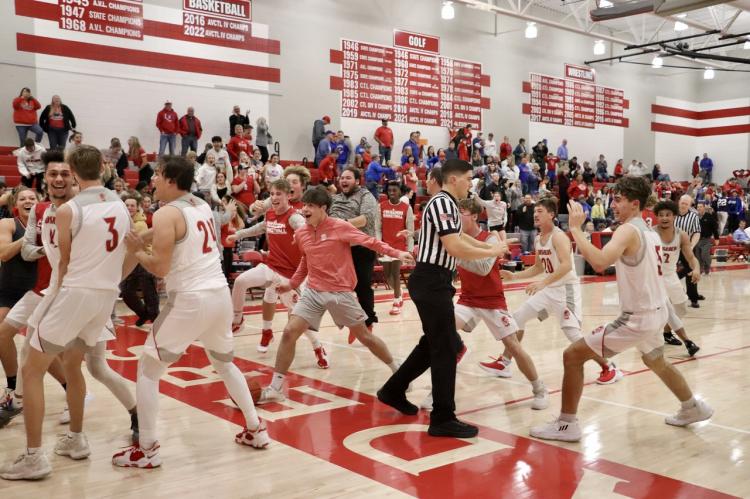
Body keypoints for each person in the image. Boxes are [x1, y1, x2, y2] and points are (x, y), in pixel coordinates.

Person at [111, 155, 270, 469]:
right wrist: (141, 237)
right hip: (218, 296)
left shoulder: (166, 213)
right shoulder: (199, 204)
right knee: (224, 364)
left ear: (170, 179)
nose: (152, 180)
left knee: (147, 369)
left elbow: (159, 266)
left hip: (189, 299)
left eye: (156, 175)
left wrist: (135, 250)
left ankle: (147, 449)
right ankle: (255, 429)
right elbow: (181, 235)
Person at [531, 176, 713, 442]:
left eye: (618, 200)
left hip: (637, 317)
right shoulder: (649, 230)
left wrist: (576, 230)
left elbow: (600, 262)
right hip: (655, 310)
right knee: (655, 360)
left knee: (572, 356)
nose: (613, 205)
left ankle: (566, 424)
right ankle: (692, 407)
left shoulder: (627, 230)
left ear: (635, 203)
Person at [1, 146, 132, 480]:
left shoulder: (72, 210)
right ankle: (76, 439)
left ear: (73, 173)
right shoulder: (116, 204)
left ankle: (34, 457)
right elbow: (130, 247)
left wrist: (58, 298)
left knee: (33, 368)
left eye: (64, 173)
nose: (59, 178)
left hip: (67, 293)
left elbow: (66, 265)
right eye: (52, 174)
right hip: (99, 296)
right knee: (75, 365)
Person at [378, 159, 507, 439]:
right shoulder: (443, 203)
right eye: (468, 178)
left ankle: (393, 389)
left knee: (434, 343)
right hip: (431, 280)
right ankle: (443, 417)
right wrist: (491, 252)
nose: (471, 184)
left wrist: (490, 246)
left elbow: (459, 236)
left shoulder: (445, 204)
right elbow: (454, 245)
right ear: (453, 180)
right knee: (446, 347)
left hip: (434, 280)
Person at [256, 186, 414, 405]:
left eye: (310, 206)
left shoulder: (340, 227)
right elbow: (305, 260)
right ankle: (275, 388)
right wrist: (292, 283)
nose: (305, 210)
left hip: (340, 292)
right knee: (289, 332)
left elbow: (371, 242)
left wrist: (398, 253)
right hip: (313, 291)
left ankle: (399, 372)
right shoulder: (301, 232)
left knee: (365, 337)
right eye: (304, 206)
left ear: (323, 208)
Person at [493, 197, 622, 384]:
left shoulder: (559, 236)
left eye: (540, 211)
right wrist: (515, 276)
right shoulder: (538, 238)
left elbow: (567, 266)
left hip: (565, 291)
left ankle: (609, 367)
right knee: (518, 317)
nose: (535, 214)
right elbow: (538, 267)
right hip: (549, 291)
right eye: (535, 211)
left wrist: (542, 283)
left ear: (552, 215)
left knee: (573, 335)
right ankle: (505, 362)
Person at [454, 198, 548, 408]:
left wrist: (455, 257)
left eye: (462, 213)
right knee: (440, 336)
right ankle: (438, 391)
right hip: (467, 298)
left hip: (492, 301)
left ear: (475, 216)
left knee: (513, 346)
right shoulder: (456, 238)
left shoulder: (492, 238)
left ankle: (539, 388)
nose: (458, 217)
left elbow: (483, 268)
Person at [229, 180, 328, 367]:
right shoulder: (270, 214)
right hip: (271, 267)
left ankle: (318, 347)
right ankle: (238, 319)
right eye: (272, 194)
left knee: (299, 319)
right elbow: (259, 228)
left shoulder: (293, 217)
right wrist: (238, 235)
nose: (274, 198)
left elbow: (304, 228)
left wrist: (302, 237)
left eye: (278, 194)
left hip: (291, 276)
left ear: (287, 196)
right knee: (241, 281)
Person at [329, 168, 381, 343]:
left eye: (348, 178)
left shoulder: (366, 196)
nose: (343, 180)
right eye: (341, 177)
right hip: (340, 248)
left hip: (362, 247)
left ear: (357, 181)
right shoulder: (335, 198)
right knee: (340, 288)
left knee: (362, 286)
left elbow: (365, 219)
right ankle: (353, 321)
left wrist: (342, 224)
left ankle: (368, 322)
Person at [654, 201, 702, 357]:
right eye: (661, 215)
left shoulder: (681, 234)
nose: (664, 218)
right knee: (667, 309)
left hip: (670, 276)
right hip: (654, 278)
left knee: (680, 307)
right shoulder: (650, 233)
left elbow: (691, 257)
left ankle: (667, 333)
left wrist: (696, 268)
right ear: (657, 217)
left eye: (668, 214)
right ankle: (688, 342)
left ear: (674, 216)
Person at [121, 196, 159, 327]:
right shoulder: (123, 221)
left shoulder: (140, 223)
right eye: (127, 205)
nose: (129, 208)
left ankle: (155, 318)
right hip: (130, 261)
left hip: (143, 260)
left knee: (149, 292)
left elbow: (136, 245)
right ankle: (143, 314)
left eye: (132, 205)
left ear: (137, 207)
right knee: (126, 292)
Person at [378, 181, 414, 316]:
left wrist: (409, 249)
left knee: (395, 274)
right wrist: (378, 244)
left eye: (394, 190)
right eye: (390, 190)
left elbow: (410, 230)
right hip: (385, 246)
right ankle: (400, 293)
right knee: (388, 277)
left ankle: (396, 301)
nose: (392, 193)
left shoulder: (407, 208)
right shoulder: (381, 206)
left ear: (400, 192)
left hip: (399, 247)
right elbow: (378, 227)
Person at [675, 195, 701, 308]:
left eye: (686, 203)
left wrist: (691, 246)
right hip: (672, 247)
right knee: (668, 270)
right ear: (679, 202)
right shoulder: (672, 214)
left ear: (690, 205)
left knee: (691, 271)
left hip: (687, 247)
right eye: (682, 202)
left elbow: (697, 232)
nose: (684, 205)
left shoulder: (693, 217)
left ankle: (693, 298)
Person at [695, 202, 718, 275]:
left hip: (706, 240)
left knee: (704, 255)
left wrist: (716, 238)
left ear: (704, 207)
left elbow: (715, 228)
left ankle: (707, 267)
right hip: (697, 240)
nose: (699, 208)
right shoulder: (695, 217)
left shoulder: (709, 216)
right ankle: (701, 270)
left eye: (700, 206)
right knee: (698, 257)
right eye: (698, 207)